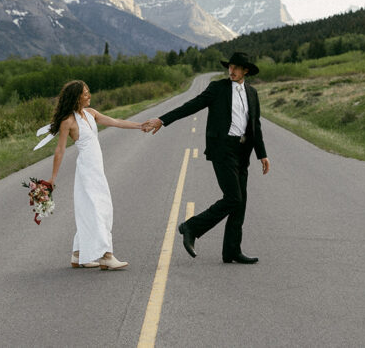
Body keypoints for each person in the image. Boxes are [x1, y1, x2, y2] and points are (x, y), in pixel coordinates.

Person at [142, 52, 270, 264]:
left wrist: (262, 154)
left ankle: (232, 251)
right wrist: (162, 120)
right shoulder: (217, 89)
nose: (232, 70)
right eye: (230, 66)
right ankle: (191, 227)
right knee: (233, 198)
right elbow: (191, 105)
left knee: (240, 203)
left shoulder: (252, 93)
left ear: (245, 70)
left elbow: (255, 126)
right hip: (222, 150)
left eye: (236, 67)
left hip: (243, 152)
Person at [48, 80, 148, 270]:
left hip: (97, 170)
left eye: (88, 92)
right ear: (76, 97)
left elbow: (115, 122)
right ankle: (106, 255)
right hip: (86, 171)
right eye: (85, 93)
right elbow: (60, 151)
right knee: (99, 210)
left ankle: (78, 254)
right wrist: (53, 178)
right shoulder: (68, 121)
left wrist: (139, 125)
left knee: (91, 210)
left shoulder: (91, 113)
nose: (89, 96)